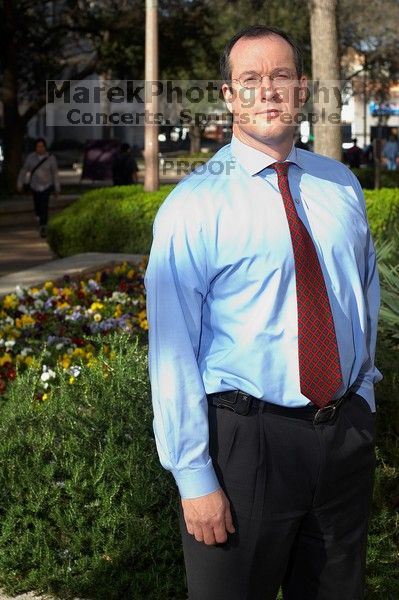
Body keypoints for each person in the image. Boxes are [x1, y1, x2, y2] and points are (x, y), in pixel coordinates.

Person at [145, 25, 381, 600]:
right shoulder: (194, 206)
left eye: (280, 77)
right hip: (245, 446)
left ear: (302, 89)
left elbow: (364, 298)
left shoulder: (340, 186)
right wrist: (194, 474)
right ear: (229, 97)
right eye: (249, 80)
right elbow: (172, 349)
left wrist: (365, 403)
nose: (267, 91)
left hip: (342, 437)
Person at [17, 138, 60, 238]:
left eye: (42, 146)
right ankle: (39, 218)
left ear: (45, 147)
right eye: (38, 146)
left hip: (47, 185)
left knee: (44, 205)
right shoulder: (30, 158)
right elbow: (24, 171)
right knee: (37, 206)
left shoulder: (51, 158)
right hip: (34, 186)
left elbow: (55, 174)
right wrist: (20, 183)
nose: (40, 148)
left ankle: (43, 226)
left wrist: (57, 189)